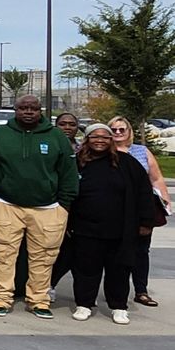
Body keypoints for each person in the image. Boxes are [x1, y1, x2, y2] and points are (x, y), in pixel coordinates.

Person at [0, 95, 78, 318]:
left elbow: (68, 171)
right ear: (15, 110)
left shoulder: (56, 136)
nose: (28, 112)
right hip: (4, 204)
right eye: (23, 108)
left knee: (44, 256)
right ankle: (1, 298)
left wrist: (64, 204)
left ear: (40, 111)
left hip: (49, 208)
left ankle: (38, 300)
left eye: (33, 108)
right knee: (2, 254)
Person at [66, 124, 156, 324]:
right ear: (87, 140)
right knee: (85, 269)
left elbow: (144, 192)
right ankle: (84, 304)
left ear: (111, 140)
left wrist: (146, 222)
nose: (100, 140)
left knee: (119, 270)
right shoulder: (78, 163)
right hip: (85, 228)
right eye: (94, 137)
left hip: (120, 229)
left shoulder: (127, 163)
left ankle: (118, 306)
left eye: (105, 137)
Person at [108, 116, 166, 308]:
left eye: (121, 129)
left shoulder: (141, 151)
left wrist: (164, 201)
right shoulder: (102, 151)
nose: (118, 133)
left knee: (141, 251)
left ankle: (141, 290)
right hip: (113, 210)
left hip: (140, 209)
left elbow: (156, 178)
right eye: (114, 130)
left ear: (129, 131)